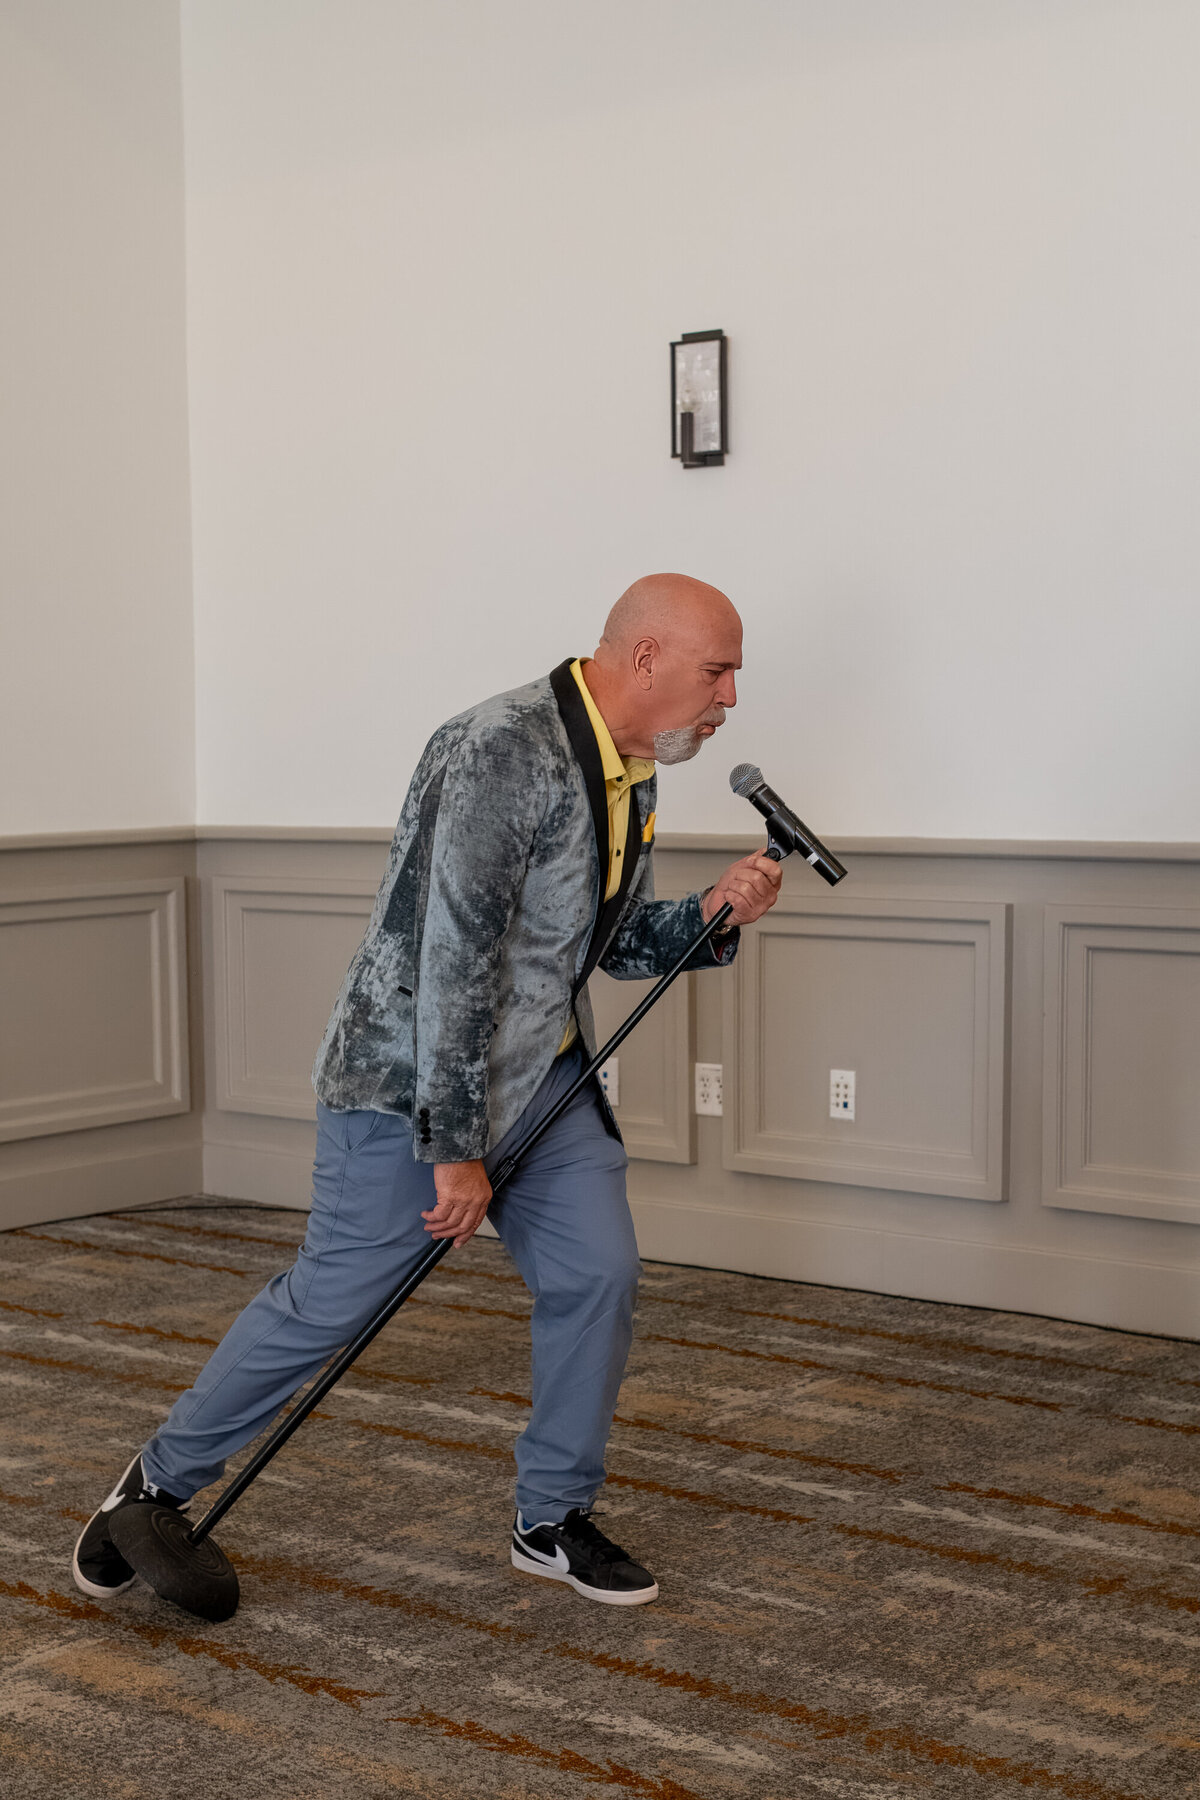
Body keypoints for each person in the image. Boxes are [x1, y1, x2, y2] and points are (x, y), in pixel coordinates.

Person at [72, 573, 782, 1608]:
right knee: (331, 1303)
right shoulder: (500, 748)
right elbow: (454, 962)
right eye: (718, 672)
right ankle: (157, 1483)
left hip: (543, 1079)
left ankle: (550, 1518)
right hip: (408, 1088)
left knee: (598, 1275)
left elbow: (608, 941)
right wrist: (455, 1148)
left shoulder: (632, 770)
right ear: (646, 657)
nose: (729, 698)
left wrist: (711, 912)